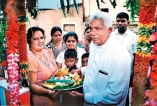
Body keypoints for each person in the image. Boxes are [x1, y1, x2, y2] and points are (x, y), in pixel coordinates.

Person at [70, 12, 131, 106]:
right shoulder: (94, 44)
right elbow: (96, 67)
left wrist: (85, 97)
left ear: (109, 30)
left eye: (97, 28)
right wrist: (80, 70)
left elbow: (114, 95)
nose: (92, 33)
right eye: (91, 28)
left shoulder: (120, 55)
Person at [27, 26, 61, 106]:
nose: (40, 41)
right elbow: (32, 85)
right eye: (36, 39)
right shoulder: (30, 58)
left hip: (55, 96)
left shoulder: (47, 51)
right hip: (42, 99)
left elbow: (56, 70)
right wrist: (48, 92)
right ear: (29, 41)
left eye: (42, 38)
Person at [111, 12, 137, 106]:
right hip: (112, 72)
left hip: (127, 73)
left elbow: (135, 56)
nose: (120, 23)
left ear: (128, 22)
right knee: (111, 95)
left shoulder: (133, 37)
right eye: (118, 21)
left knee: (124, 96)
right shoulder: (111, 36)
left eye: (123, 21)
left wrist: (133, 74)